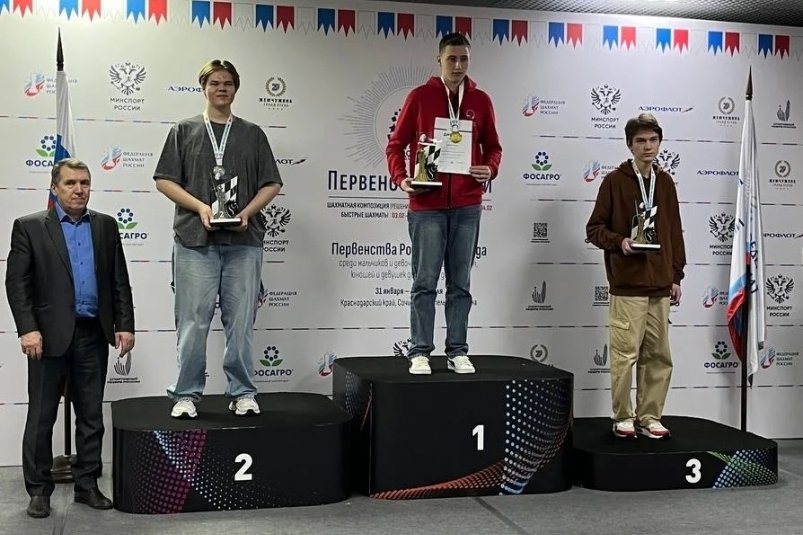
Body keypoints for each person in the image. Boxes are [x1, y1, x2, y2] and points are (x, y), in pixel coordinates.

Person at [5, 158, 135, 518]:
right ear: (54, 188)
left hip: (93, 334)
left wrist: (125, 324)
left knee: (91, 415)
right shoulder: (30, 227)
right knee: (41, 416)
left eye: (85, 183)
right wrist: (27, 328)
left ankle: (87, 485)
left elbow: (119, 279)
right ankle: (38, 490)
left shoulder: (105, 226)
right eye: (70, 183)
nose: (79, 190)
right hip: (46, 338)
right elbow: (17, 284)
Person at [154, 59, 282, 419]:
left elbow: (272, 183)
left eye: (227, 83)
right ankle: (185, 394)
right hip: (195, 240)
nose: (221, 88)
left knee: (240, 323)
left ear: (235, 89)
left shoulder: (253, 134)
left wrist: (247, 213)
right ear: (204, 88)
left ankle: (242, 392)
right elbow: (164, 180)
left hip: (243, 242)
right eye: (214, 83)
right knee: (192, 323)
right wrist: (200, 208)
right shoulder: (184, 130)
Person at [386, 32, 502, 375]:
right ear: (439, 60)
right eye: (452, 58)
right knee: (424, 282)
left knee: (460, 284)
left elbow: (494, 147)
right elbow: (396, 145)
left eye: (464, 58)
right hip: (427, 204)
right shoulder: (420, 97)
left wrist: (490, 168)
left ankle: (457, 351)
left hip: (467, 205)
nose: (458, 65)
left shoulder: (480, 100)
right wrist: (401, 178)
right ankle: (420, 351)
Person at [585, 113, 686, 439]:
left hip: (660, 284)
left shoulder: (665, 183)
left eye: (653, 140)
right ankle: (622, 416)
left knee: (658, 356)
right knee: (625, 355)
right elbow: (594, 229)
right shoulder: (614, 182)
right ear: (630, 145)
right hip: (628, 284)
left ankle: (650, 416)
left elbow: (674, 233)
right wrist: (621, 242)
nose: (647, 146)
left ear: (660, 143)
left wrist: (676, 276)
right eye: (641, 141)